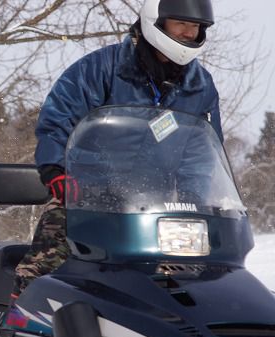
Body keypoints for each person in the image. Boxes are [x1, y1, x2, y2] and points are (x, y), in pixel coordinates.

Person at [13, 0, 220, 296]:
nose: (189, 33)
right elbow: (58, 119)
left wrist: (194, 198)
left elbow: (203, 151)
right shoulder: (102, 68)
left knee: (195, 281)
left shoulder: (200, 87)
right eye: (181, 24)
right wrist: (56, 171)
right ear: (156, 22)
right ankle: (18, 328)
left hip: (156, 207)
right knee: (44, 266)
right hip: (85, 196)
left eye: (196, 26)